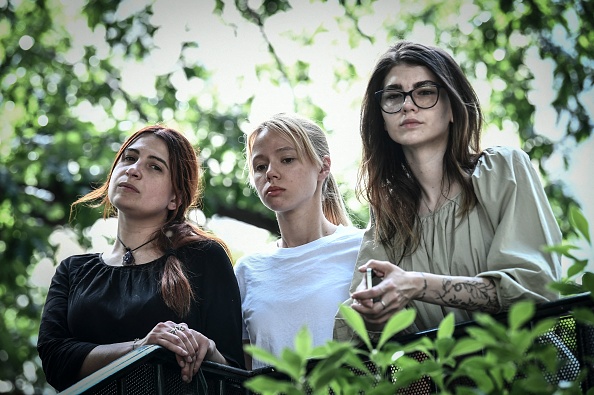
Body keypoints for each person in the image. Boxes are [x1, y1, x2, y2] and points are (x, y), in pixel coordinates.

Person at [334, 41, 562, 341]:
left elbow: (534, 289)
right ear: (383, 120)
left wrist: (416, 285)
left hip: (530, 374)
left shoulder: (503, 170)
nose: (407, 105)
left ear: (453, 107)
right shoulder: (388, 213)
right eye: (393, 96)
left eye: (425, 92)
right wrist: (374, 314)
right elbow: (352, 327)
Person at [37, 125, 245, 391]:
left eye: (155, 167)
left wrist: (208, 351)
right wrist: (141, 348)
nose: (133, 169)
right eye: (129, 158)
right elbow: (55, 360)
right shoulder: (73, 270)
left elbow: (235, 376)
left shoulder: (204, 258)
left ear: (175, 198)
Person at [234, 113, 364, 369]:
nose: (271, 172)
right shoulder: (247, 271)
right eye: (260, 166)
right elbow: (243, 371)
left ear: (323, 167)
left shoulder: (362, 249)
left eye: (287, 159)